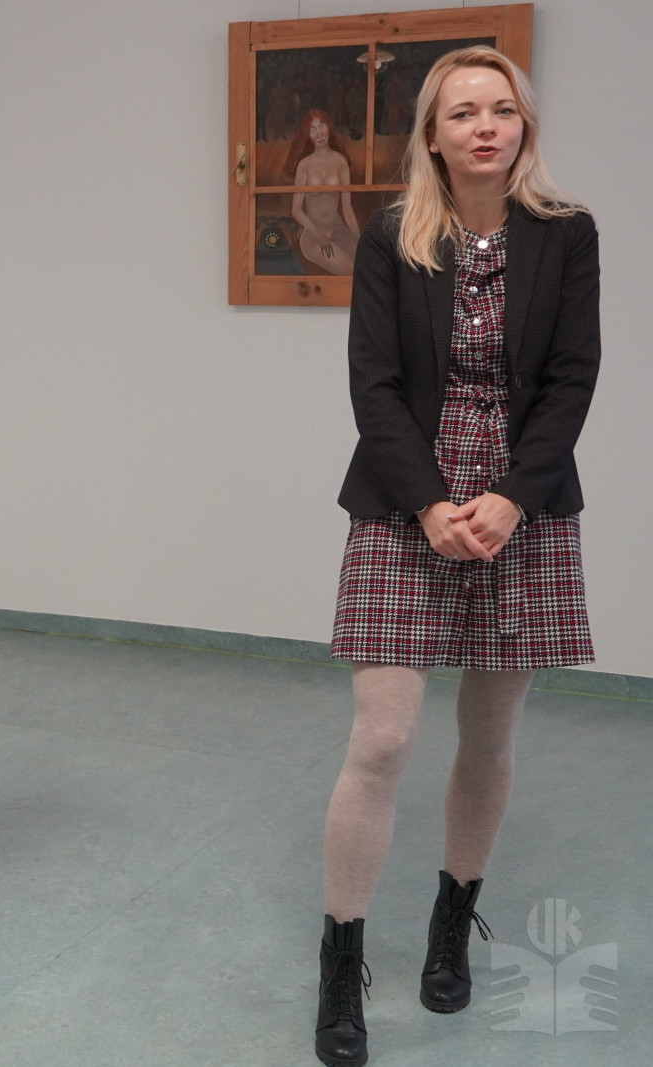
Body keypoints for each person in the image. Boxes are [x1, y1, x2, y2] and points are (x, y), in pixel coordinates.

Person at [315, 46, 599, 1066]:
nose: (486, 126)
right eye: (464, 112)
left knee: (488, 736)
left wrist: (511, 497)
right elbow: (374, 383)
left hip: (522, 505)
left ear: (524, 125)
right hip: (407, 502)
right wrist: (432, 502)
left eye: (502, 109)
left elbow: (572, 377)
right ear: (431, 136)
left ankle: (450, 922)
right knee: (383, 739)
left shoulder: (567, 233)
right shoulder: (391, 234)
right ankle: (341, 962)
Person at [283, 109, 360, 275]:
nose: (319, 134)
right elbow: (296, 210)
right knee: (352, 271)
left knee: (370, 263)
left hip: (338, 229)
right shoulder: (304, 165)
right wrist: (318, 235)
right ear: (308, 135)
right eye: (313, 130)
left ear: (329, 127)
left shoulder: (340, 161)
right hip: (313, 235)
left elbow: (347, 208)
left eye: (322, 126)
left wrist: (359, 238)